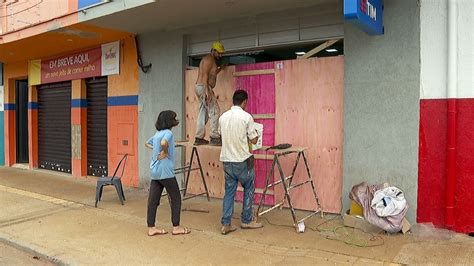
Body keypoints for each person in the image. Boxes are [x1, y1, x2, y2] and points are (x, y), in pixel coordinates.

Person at [218, 90, 263, 235]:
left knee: (229, 192)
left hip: (227, 161)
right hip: (242, 160)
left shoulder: (223, 117)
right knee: (249, 187)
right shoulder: (246, 117)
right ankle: (246, 220)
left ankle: (226, 224)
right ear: (244, 102)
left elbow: (220, 135)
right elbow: (254, 139)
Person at [145, 110, 190, 236]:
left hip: (155, 172)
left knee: (153, 200)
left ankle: (151, 228)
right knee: (176, 198)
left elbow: (147, 144)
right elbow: (164, 143)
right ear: (170, 121)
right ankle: (176, 227)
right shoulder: (168, 133)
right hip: (166, 172)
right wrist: (164, 151)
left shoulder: (157, 133)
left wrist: (160, 149)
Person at [194, 41, 225, 146]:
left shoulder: (209, 60)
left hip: (200, 87)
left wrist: (220, 69)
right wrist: (207, 90)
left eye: (221, 53)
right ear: (213, 50)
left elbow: (211, 73)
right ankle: (214, 137)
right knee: (215, 111)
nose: (220, 55)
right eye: (219, 53)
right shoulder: (209, 59)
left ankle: (198, 138)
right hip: (204, 87)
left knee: (203, 113)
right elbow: (206, 75)